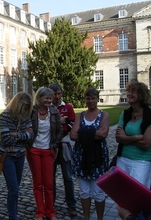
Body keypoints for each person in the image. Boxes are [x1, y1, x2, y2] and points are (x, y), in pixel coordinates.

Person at [70, 87, 109, 220]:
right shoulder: (80, 115)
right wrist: (93, 133)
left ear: (98, 99)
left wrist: (83, 131)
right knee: (84, 191)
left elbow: (103, 134)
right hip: (81, 157)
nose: (91, 101)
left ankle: (99, 218)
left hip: (98, 156)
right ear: (85, 99)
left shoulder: (103, 115)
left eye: (93, 98)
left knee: (98, 191)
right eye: (88, 98)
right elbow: (73, 135)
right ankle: (86, 217)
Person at [27, 87, 62, 220]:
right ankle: (40, 212)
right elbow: (25, 127)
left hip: (48, 150)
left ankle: (50, 211)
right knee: (37, 183)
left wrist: (54, 145)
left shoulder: (54, 112)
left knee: (48, 183)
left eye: (50, 98)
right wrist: (29, 145)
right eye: (46, 98)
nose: (49, 100)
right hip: (34, 150)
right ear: (39, 98)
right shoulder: (32, 112)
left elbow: (59, 131)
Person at [0, 92, 34, 220]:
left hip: (20, 155)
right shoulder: (5, 116)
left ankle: (13, 213)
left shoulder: (26, 116)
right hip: (7, 156)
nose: (25, 110)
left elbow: (31, 136)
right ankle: (13, 216)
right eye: (23, 107)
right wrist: (23, 134)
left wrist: (15, 134)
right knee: (13, 188)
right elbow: (6, 139)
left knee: (15, 188)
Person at [115, 80, 151, 188]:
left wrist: (126, 138)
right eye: (128, 91)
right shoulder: (125, 114)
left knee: (136, 196)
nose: (129, 94)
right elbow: (118, 138)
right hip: (123, 159)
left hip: (141, 162)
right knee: (121, 194)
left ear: (141, 95)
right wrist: (136, 137)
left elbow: (146, 143)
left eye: (133, 91)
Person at [49, 83, 77, 216]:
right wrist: (59, 121)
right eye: (54, 94)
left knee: (68, 177)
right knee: (51, 178)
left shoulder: (68, 107)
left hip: (65, 144)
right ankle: (50, 204)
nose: (57, 97)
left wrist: (62, 122)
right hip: (51, 145)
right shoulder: (47, 108)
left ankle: (71, 204)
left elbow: (73, 123)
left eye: (59, 93)